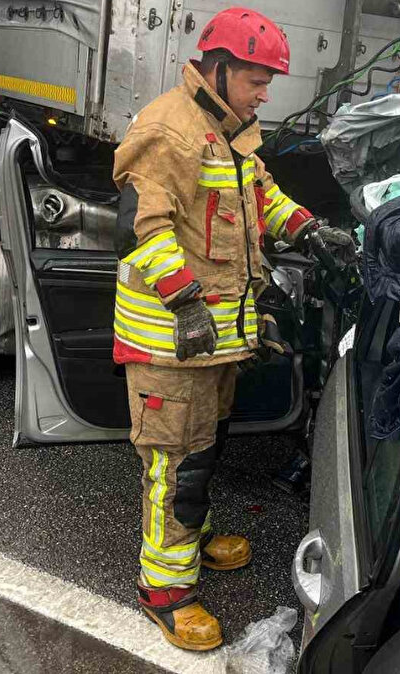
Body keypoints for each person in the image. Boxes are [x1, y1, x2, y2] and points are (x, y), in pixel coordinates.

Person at [110, 7, 354, 652]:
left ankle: (192, 539)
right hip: (172, 339)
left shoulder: (230, 128)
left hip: (215, 338)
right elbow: (139, 227)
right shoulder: (171, 131)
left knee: (205, 448)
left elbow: (260, 196)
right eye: (256, 80)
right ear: (217, 70)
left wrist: (308, 228)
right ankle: (164, 592)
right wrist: (186, 303)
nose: (265, 93)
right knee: (176, 466)